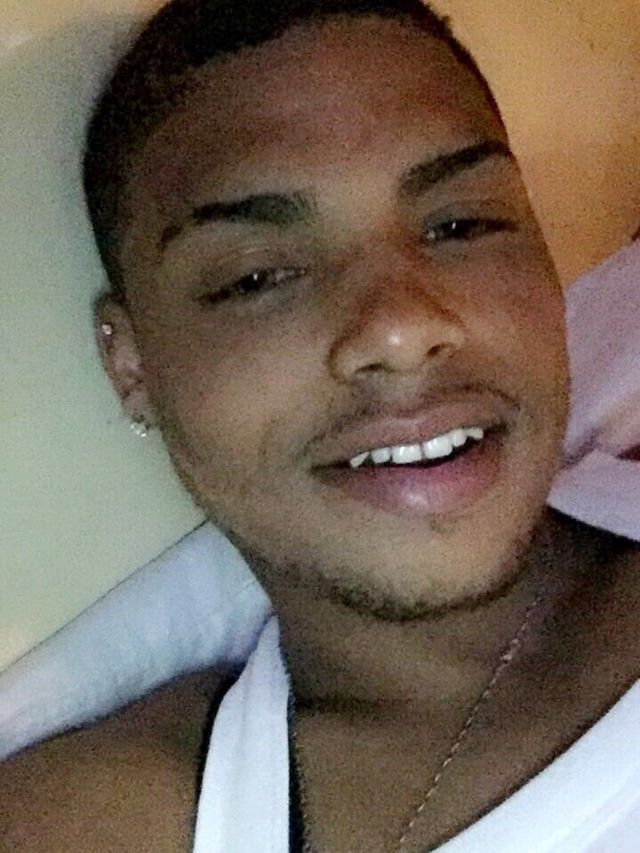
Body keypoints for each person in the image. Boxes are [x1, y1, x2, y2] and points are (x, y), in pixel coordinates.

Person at [1, 1, 639, 851]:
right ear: (132, 366)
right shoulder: (97, 818)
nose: (402, 328)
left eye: (460, 225)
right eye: (259, 277)